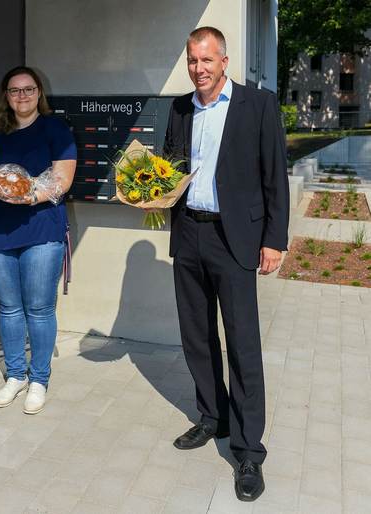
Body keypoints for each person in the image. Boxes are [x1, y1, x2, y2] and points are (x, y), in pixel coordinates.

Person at [163, 27, 289, 502]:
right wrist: (152, 191)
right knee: (196, 336)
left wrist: (274, 240)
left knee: (242, 344)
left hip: (235, 237)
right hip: (189, 232)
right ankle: (212, 417)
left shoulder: (258, 104)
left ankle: (248, 450)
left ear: (224, 60)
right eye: (193, 61)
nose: (199, 69)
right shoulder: (179, 107)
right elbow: (171, 166)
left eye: (207, 61)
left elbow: (275, 173)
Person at [0, 66, 76, 415]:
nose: (22, 96)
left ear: (39, 93)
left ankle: (39, 379)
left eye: (28, 89)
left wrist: (27, 197)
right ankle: (15, 375)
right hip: (0, 230)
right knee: (10, 308)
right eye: (15, 91)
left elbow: (62, 179)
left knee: (40, 308)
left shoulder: (55, 129)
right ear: (6, 95)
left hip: (41, 229)